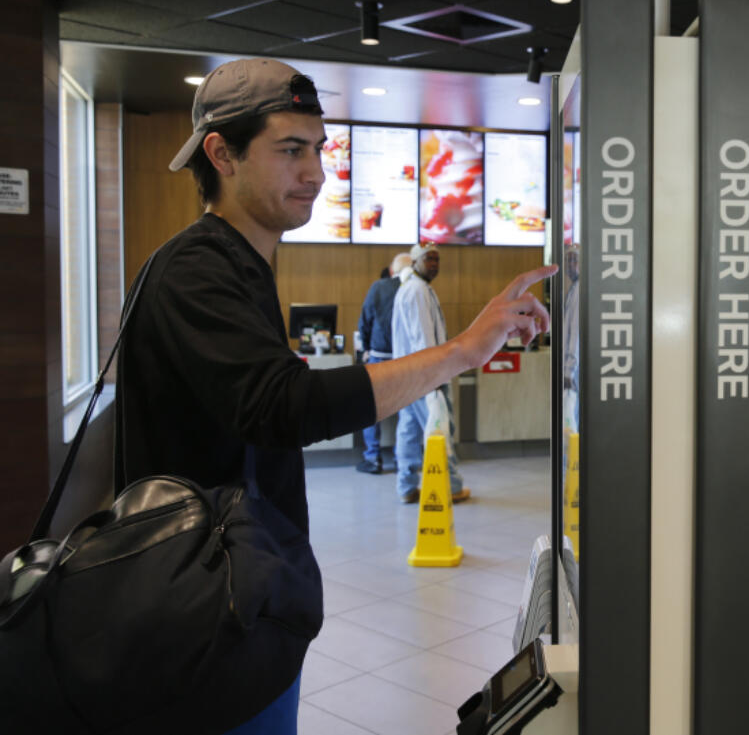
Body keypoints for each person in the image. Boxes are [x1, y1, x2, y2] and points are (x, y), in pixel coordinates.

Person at [114, 58, 553, 733]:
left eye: (319, 149)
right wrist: (463, 350)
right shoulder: (196, 269)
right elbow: (285, 406)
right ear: (220, 153)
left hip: (246, 601)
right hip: (205, 623)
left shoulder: (242, 266)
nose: (317, 172)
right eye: (291, 150)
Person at [391, 243, 469, 504]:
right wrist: (433, 378)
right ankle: (452, 487)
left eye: (437, 260)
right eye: (429, 260)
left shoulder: (415, 288)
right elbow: (423, 337)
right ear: (415, 262)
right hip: (425, 377)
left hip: (409, 376)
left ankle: (407, 486)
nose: (434, 265)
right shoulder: (416, 290)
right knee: (439, 430)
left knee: (410, 431)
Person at [355, 252, 413, 474]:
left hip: (379, 355)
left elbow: (365, 320)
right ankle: (403, 459)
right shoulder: (415, 289)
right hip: (405, 358)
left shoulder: (378, 287)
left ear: (391, 271)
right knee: (405, 413)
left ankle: (373, 458)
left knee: (372, 409)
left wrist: (367, 349)